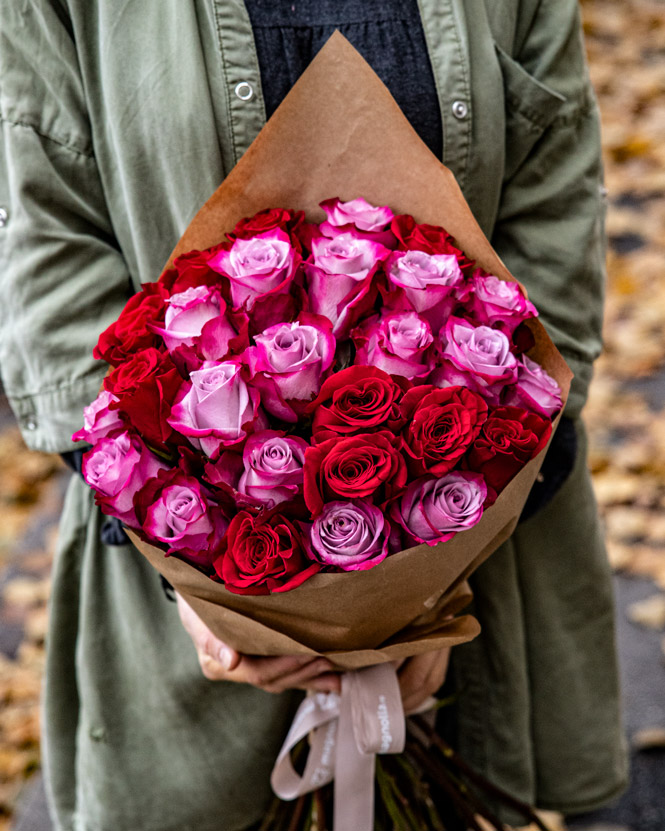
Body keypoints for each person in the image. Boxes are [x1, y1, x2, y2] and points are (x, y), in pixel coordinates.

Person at [0, 1, 627, 829]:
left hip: (483, 553)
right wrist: (194, 561)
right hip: (187, 574)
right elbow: (49, 246)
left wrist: (433, 588)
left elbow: (553, 195)